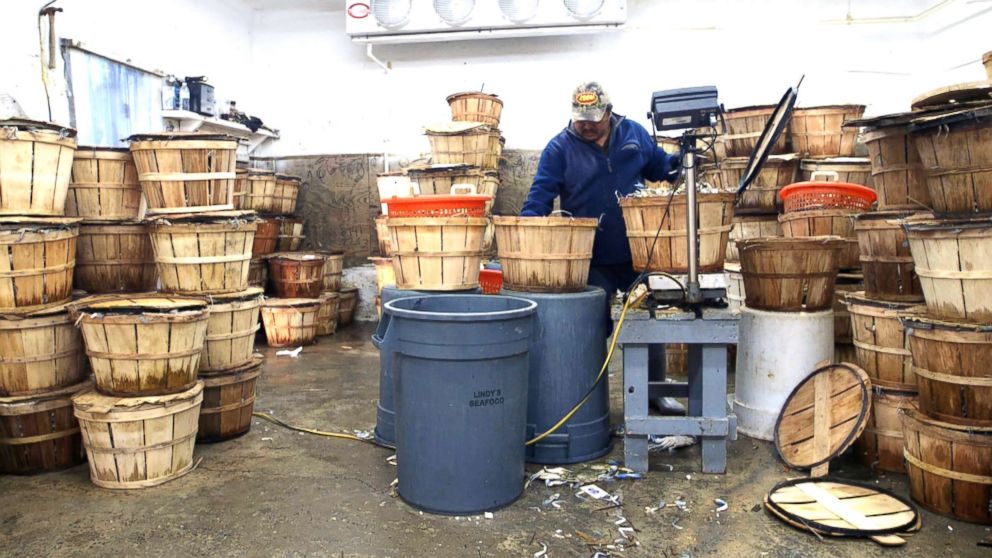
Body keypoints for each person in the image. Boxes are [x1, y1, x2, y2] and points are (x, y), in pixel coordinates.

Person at [520, 81, 685, 415]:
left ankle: (654, 393)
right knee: (590, 325)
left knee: (647, 319)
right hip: (589, 257)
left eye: (594, 116)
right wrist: (527, 230)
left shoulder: (634, 134)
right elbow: (540, 196)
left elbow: (660, 167)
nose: (587, 123)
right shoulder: (559, 149)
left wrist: (681, 161)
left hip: (638, 253)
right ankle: (587, 398)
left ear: (609, 112)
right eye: (581, 117)